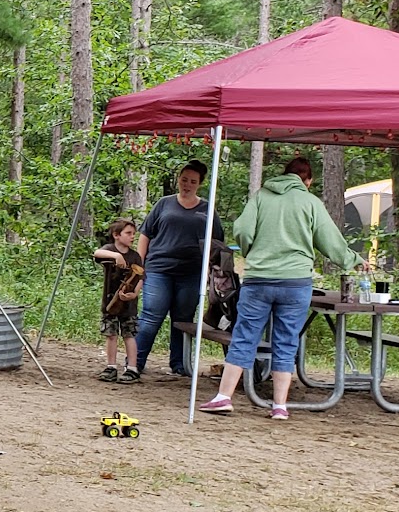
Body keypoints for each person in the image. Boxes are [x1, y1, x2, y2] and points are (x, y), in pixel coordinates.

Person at [202, 154, 359, 421]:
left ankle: (223, 398)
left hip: (259, 279)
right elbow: (329, 239)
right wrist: (352, 260)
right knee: (286, 341)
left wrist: (252, 252)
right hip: (296, 282)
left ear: (284, 175)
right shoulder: (310, 201)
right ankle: (279, 406)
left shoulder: (262, 196)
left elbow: (243, 229)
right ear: (307, 180)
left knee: (245, 336)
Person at [125, 160, 224, 383]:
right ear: (178, 179)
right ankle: (134, 363)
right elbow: (146, 234)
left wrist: (211, 274)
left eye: (193, 181)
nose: (187, 185)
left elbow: (217, 243)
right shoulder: (164, 204)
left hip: (191, 273)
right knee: (151, 315)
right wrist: (139, 268)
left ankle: (179, 364)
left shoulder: (207, 209)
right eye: (184, 179)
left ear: (200, 184)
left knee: (183, 319)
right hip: (159, 268)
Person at [92, 216, 143, 382]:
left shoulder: (135, 256)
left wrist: (134, 293)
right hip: (110, 302)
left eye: (133, 233)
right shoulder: (109, 249)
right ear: (116, 235)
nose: (132, 236)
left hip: (128, 305)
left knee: (129, 335)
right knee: (111, 334)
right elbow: (97, 253)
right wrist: (116, 256)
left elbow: (141, 276)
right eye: (128, 233)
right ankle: (111, 366)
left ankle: (132, 368)